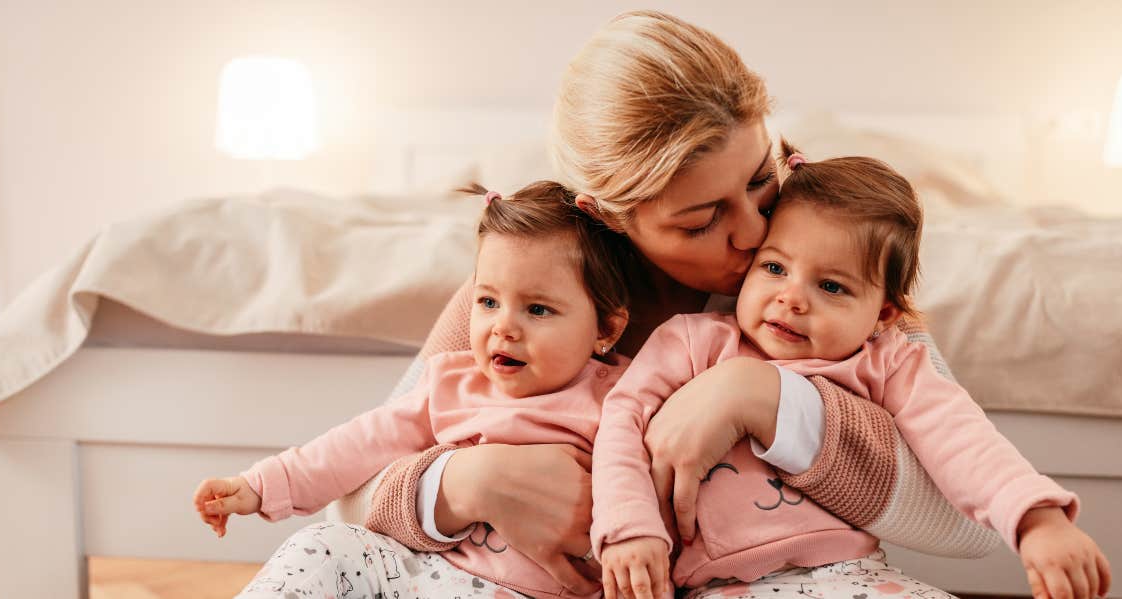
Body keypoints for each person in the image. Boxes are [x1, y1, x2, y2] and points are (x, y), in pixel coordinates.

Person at [244, 9, 1005, 599]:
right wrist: (465, 484)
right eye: (702, 218)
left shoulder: (817, 272)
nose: (753, 230)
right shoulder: (534, 291)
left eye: (762, 178)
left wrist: (767, 395)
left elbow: (969, 521)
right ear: (608, 215)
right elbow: (352, 498)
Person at [593, 142, 1112, 599]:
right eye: (774, 268)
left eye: (833, 287)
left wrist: (1038, 520)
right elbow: (621, 422)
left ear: (883, 313)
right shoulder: (694, 340)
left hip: (853, 573)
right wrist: (629, 529)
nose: (791, 299)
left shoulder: (888, 358)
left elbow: (961, 438)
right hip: (722, 584)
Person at [194, 182, 634, 599]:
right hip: (421, 575)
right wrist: (261, 485)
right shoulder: (452, 381)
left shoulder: (624, 398)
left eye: (537, 309)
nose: (503, 326)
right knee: (324, 545)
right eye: (487, 302)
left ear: (607, 328)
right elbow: (358, 445)